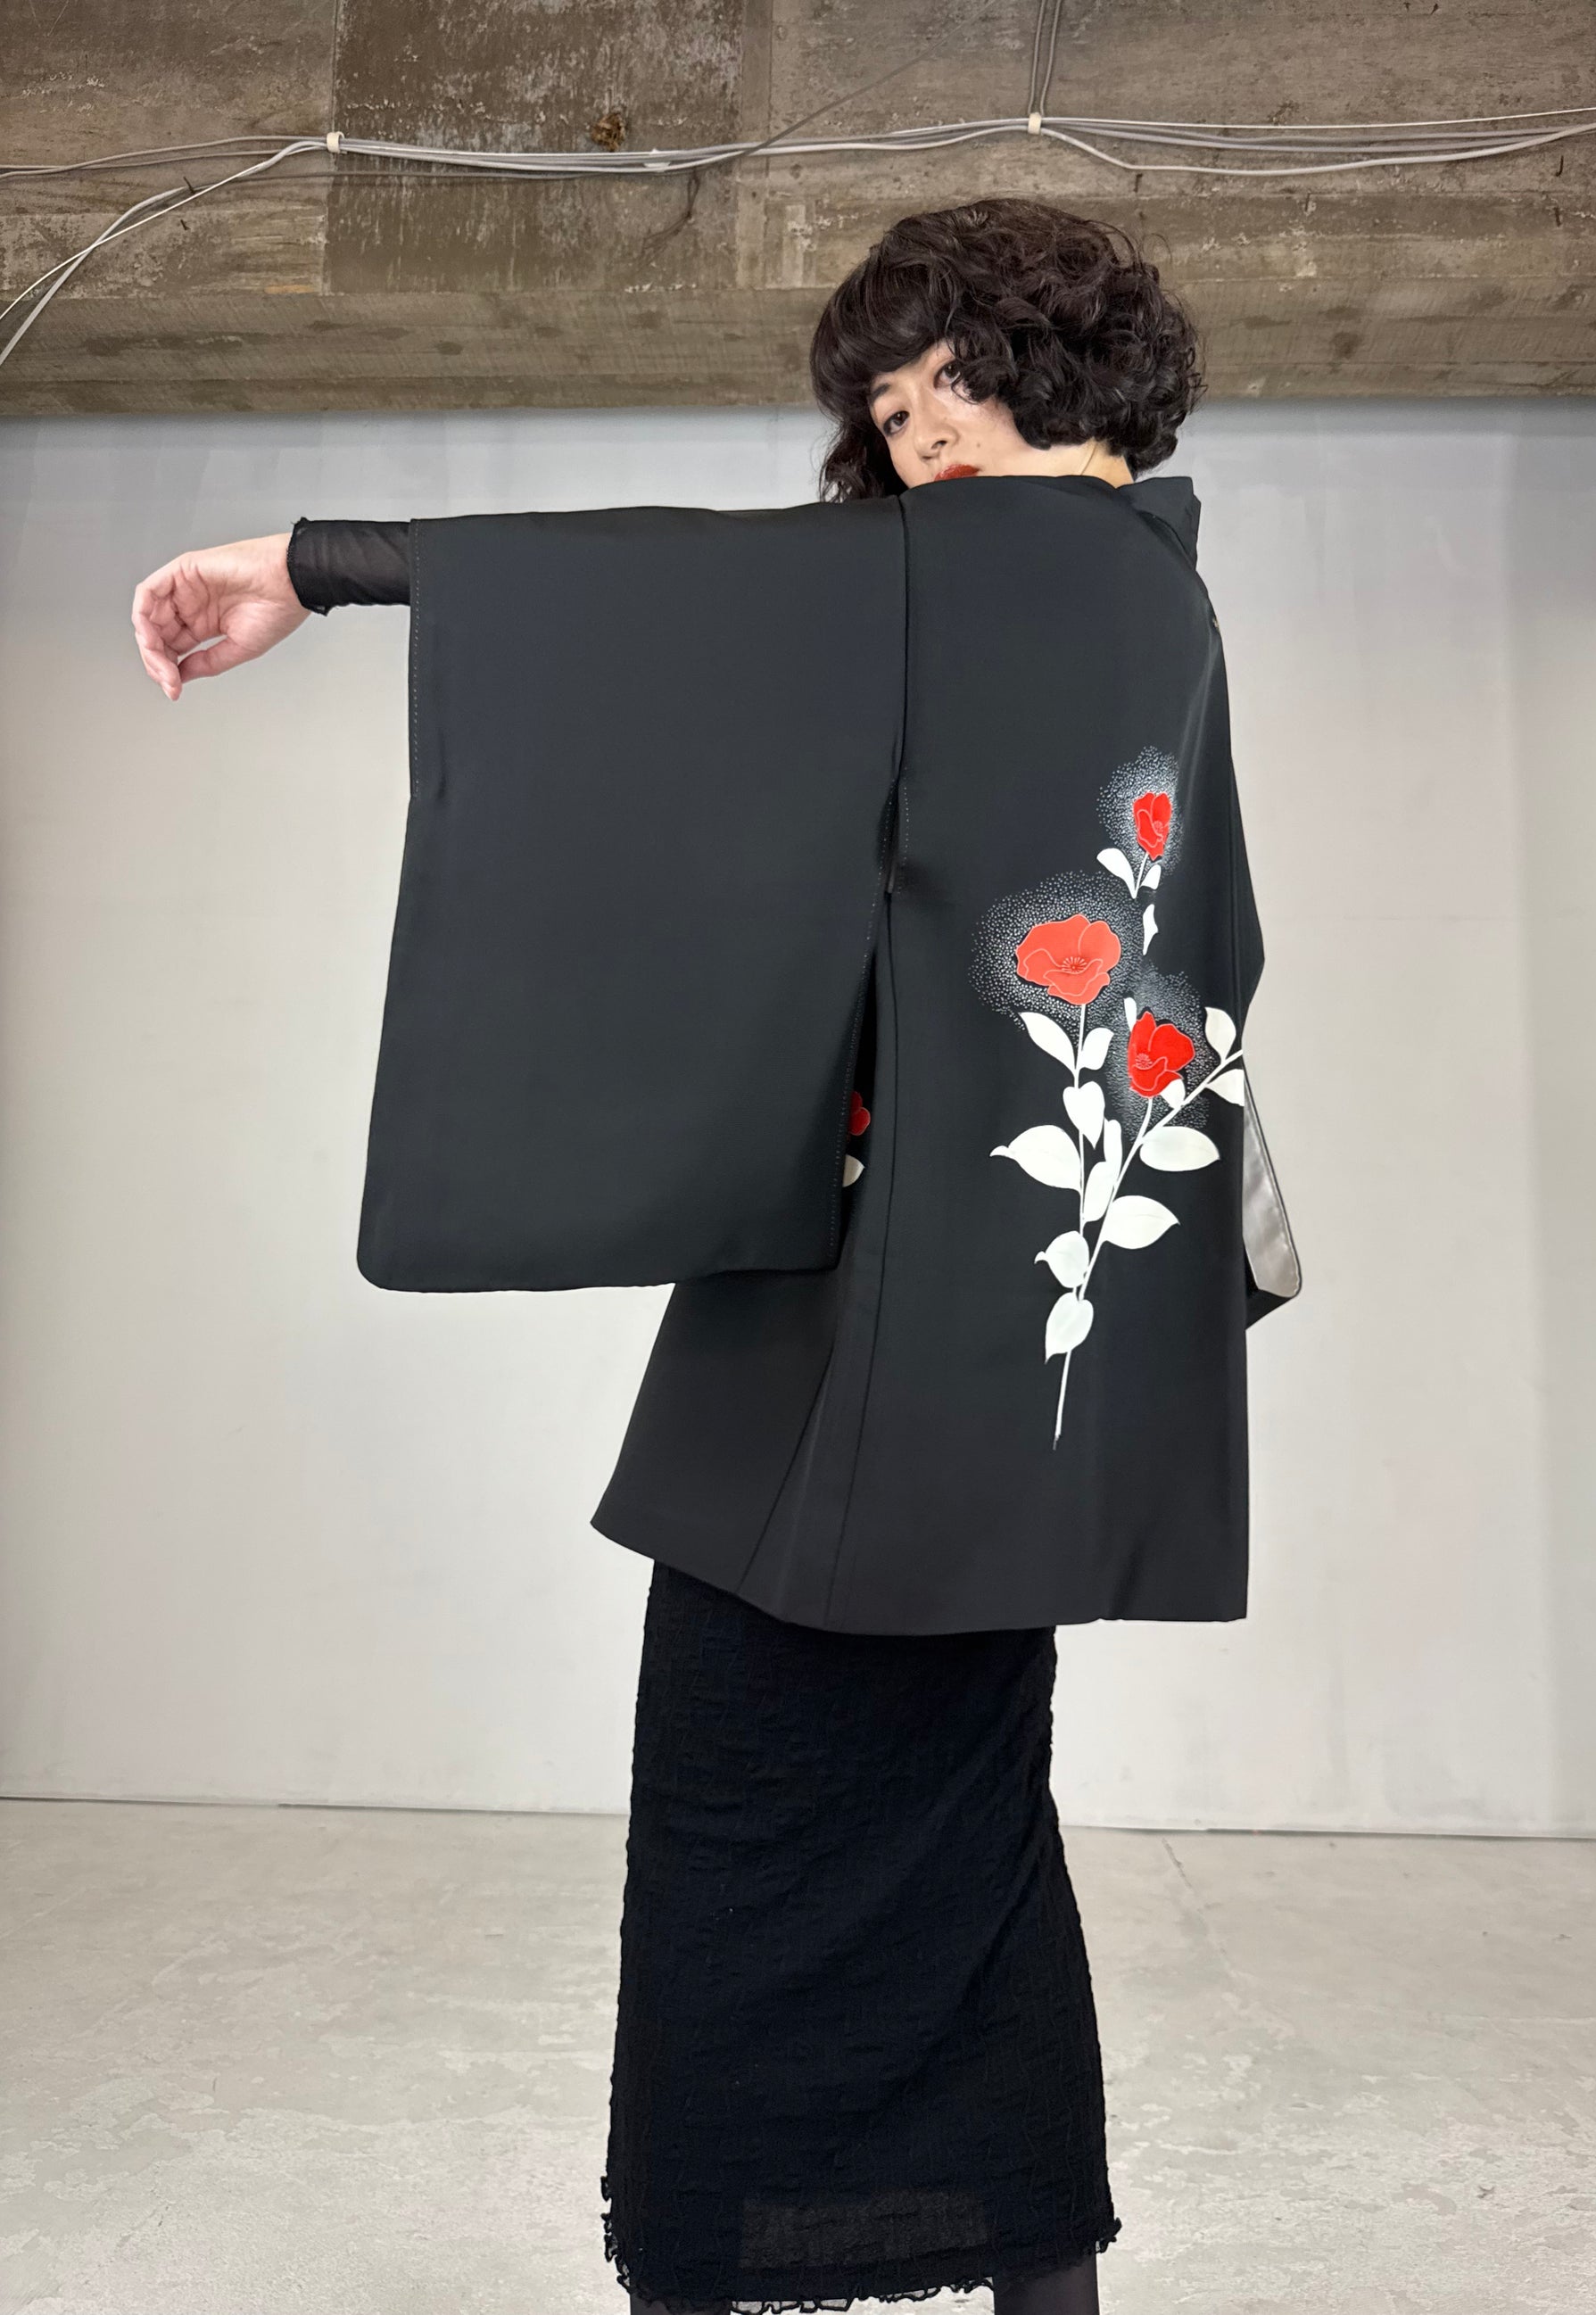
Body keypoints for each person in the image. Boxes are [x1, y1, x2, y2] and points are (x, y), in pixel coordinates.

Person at [133, 200, 1276, 2315]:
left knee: (740, 1827)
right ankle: (1033, 2276)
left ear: (1047, 365)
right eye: (889, 415)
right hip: (1018, 1355)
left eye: (941, 385)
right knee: (969, 1834)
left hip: (882, 1345)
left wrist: (310, 560)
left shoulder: (1005, 560)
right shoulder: (1152, 595)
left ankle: (710, 2261)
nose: (916, 438)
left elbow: (665, 590)